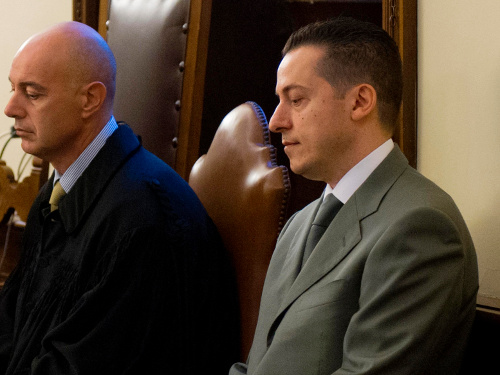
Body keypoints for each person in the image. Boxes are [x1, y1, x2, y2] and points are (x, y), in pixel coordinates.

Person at [230, 17, 478, 375]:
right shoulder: (297, 225)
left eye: (296, 99)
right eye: (279, 101)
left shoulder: (420, 226)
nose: (276, 121)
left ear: (360, 101)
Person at [0, 21, 239, 374]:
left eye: (32, 94)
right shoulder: (57, 194)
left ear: (90, 99)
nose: (11, 108)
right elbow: (14, 325)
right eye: (12, 89)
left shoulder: (143, 217)